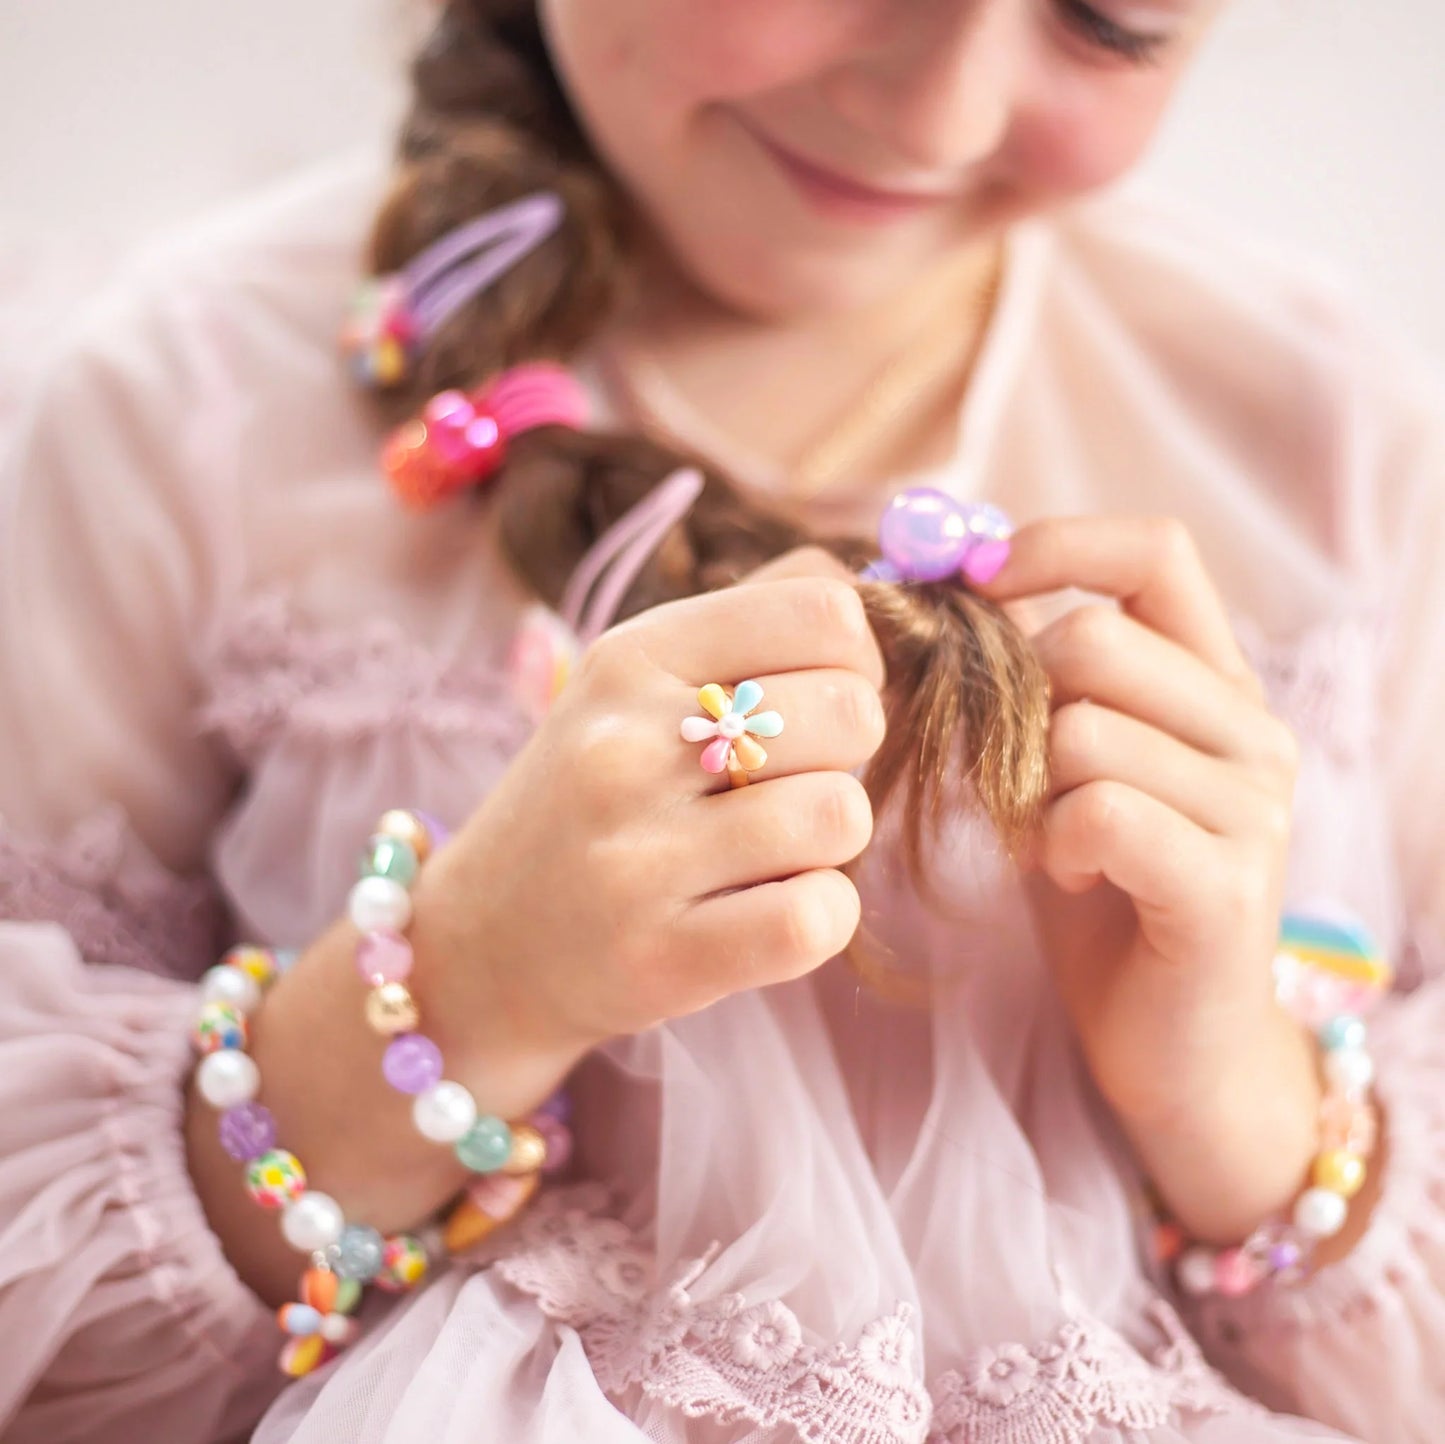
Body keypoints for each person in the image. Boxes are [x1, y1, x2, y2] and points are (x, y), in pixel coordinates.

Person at [1, 0, 1442, 1440]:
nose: (937, 114)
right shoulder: (173, 423)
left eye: (1110, 22)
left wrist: (1238, 1098)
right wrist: (466, 986)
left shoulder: (1329, 445)